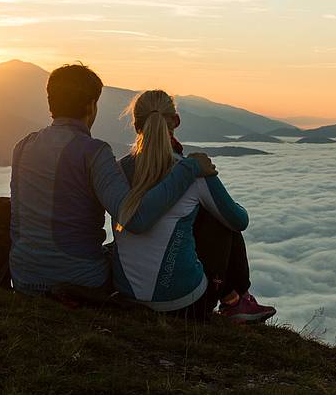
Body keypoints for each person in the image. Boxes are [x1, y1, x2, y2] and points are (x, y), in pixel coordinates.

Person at [9, 64, 217, 295]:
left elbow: (17, 219)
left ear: (50, 103)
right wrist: (188, 169)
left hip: (24, 279)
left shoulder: (23, 146)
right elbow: (136, 220)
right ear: (91, 106)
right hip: (79, 281)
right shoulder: (93, 153)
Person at [112, 90, 275, 323]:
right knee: (220, 219)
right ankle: (237, 301)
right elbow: (239, 221)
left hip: (127, 295)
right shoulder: (195, 172)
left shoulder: (116, 172)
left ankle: (234, 298)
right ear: (176, 121)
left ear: (136, 125)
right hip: (184, 305)